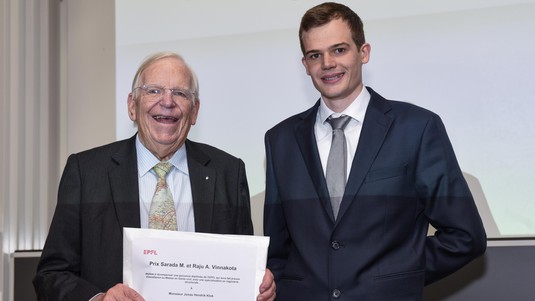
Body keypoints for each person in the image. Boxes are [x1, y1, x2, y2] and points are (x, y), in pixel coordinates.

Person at [263, 2, 486, 300]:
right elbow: (277, 249)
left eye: (339, 50)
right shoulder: (280, 140)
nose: (327, 63)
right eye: (315, 55)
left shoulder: (417, 128)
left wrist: (397, 276)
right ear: (305, 65)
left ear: (364, 52)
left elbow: (465, 236)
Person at [34, 51, 275, 301]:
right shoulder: (86, 172)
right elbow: (51, 275)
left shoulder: (228, 172)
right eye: (154, 91)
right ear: (132, 105)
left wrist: (258, 285)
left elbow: (242, 269)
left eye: (180, 93)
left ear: (194, 111)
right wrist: (99, 298)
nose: (167, 102)